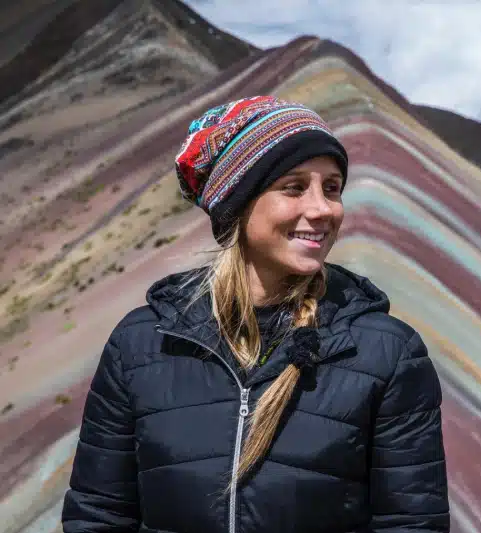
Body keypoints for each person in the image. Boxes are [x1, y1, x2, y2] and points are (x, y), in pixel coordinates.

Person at [61, 95, 450, 532]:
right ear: (238, 202)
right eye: (294, 187)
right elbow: (97, 516)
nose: (323, 209)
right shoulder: (142, 344)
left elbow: (413, 526)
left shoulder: (386, 353)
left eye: (333, 187)